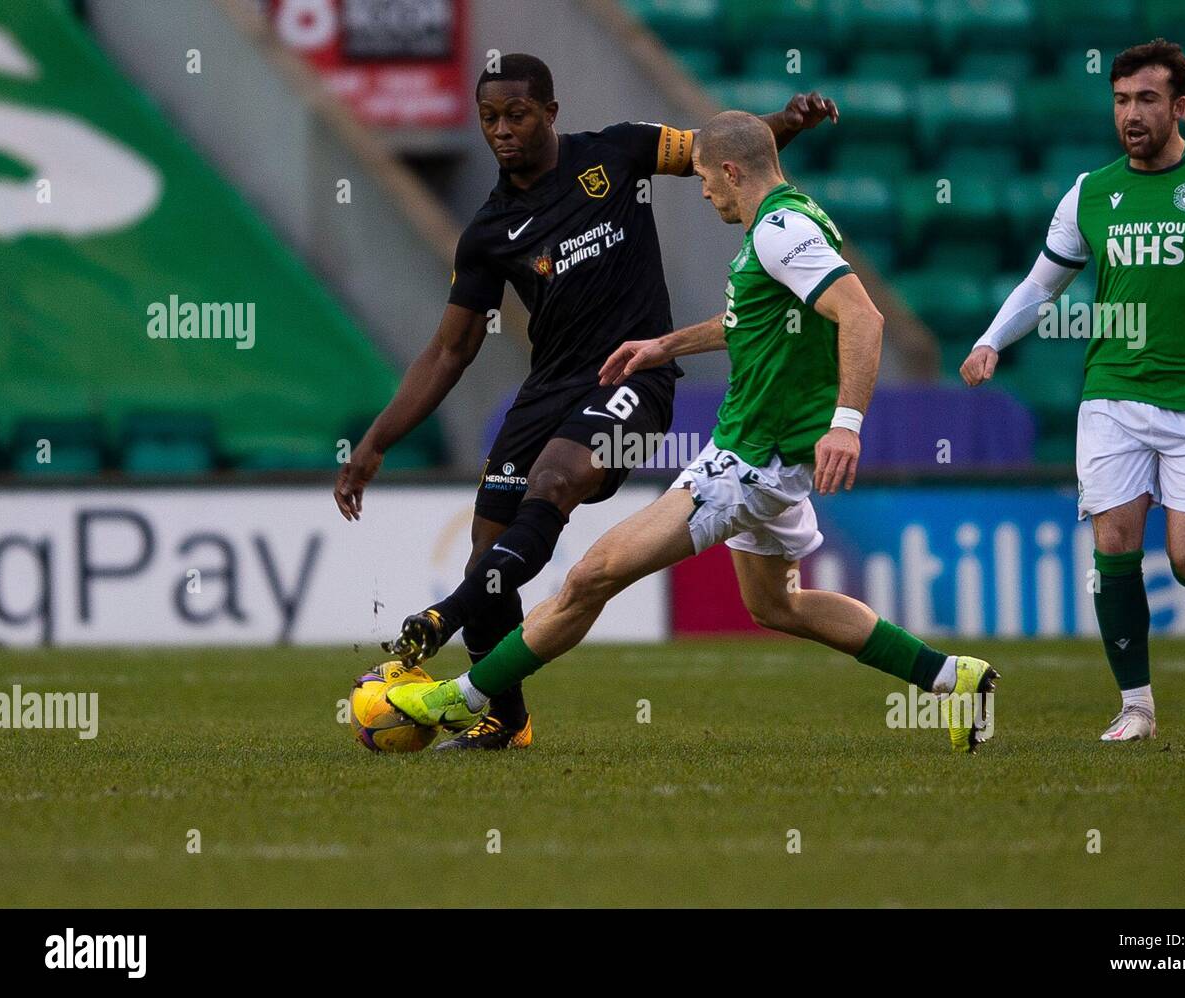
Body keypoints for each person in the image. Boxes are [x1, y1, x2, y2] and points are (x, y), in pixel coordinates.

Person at [386, 110, 1000, 755]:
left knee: (592, 575)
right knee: (777, 607)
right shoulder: (790, 219)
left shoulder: (780, 230)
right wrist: (663, 345)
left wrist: (846, 426)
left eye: (707, 178)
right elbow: (748, 319)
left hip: (750, 459)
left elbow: (863, 317)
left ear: (732, 171)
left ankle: (462, 698)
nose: (702, 190)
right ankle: (950, 677)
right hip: (766, 452)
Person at [335, 54, 839, 750]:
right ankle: (505, 722)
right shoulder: (487, 233)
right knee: (488, 552)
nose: (502, 131)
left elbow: (719, 156)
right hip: (549, 390)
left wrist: (785, 123)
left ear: (550, 111)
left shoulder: (620, 150)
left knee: (555, 481)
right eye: (488, 119)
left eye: (516, 114)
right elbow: (450, 351)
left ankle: (441, 620)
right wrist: (376, 441)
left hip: (635, 378)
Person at [961, 40, 1185, 740]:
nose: (1131, 114)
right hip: (1111, 393)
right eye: (1120, 101)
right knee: (1114, 544)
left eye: (1146, 100)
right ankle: (1137, 706)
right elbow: (1041, 284)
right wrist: (992, 339)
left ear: (1178, 107)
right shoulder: (1091, 191)